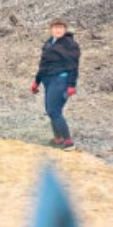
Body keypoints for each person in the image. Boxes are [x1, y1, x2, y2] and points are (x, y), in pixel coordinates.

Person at [30, 19, 80, 151]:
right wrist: (37, 81)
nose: (58, 30)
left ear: (65, 29)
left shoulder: (70, 44)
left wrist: (71, 85)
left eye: (61, 28)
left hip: (60, 80)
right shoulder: (49, 43)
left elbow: (73, 66)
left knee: (54, 111)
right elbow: (43, 64)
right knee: (51, 110)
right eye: (55, 28)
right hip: (48, 80)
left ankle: (68, 142)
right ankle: (58, 139)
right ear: (51, 29)